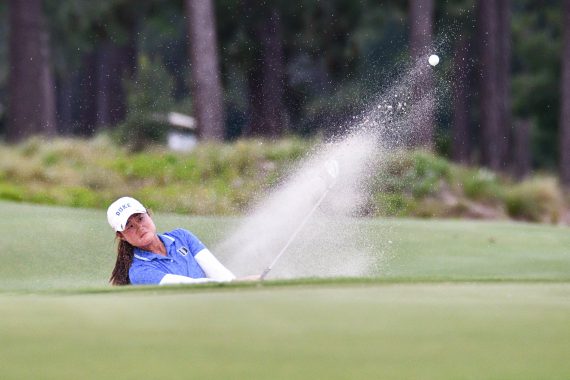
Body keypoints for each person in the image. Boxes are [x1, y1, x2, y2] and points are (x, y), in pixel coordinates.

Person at [107, 196, 238, 286]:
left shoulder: (182, 237)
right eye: (130, 226)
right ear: (121, 236)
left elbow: (220, 274)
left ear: (149, 215)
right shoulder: (139, 272)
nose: (139, 227)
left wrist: (242, 285)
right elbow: (191, 288)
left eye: (140, 218)